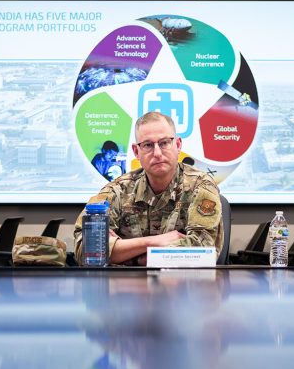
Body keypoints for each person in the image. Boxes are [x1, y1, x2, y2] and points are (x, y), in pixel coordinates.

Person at [73, 112, 223, 266]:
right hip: (125, 282)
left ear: (178, 145)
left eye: (164, 143)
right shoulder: (118, 190)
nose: (157, 153)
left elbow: (203, 250)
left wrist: (130, 255)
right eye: (148, 145)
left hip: (183, 281)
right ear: (136, 152)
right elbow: (85, 249)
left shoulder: (201, 186)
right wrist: (153, 242)